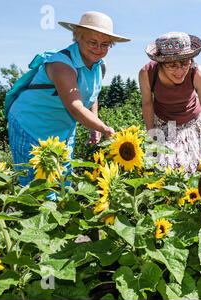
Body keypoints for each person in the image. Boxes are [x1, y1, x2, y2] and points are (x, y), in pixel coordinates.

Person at [7, 11, 130, 186]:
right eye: (92, 42)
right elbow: (75, 106)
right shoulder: (61, 65)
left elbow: (91, 94)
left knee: (62, 181)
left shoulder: (100, 66)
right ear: (78, 38)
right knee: (35, 187)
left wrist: (94, 124)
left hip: (62, 129)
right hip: (31, 124)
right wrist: (104, 128)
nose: (99, 48)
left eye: (105, 44)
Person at [139, 31, 201, 173]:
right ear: (160, 63)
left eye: (185, 63)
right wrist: (152, 136)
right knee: (166, 168)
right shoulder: (147, 74)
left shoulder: (197, 73)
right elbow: (147, 104)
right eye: (172, 65)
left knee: (200, 167)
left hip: (193, 122)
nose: (180, 71)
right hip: (164, 124)